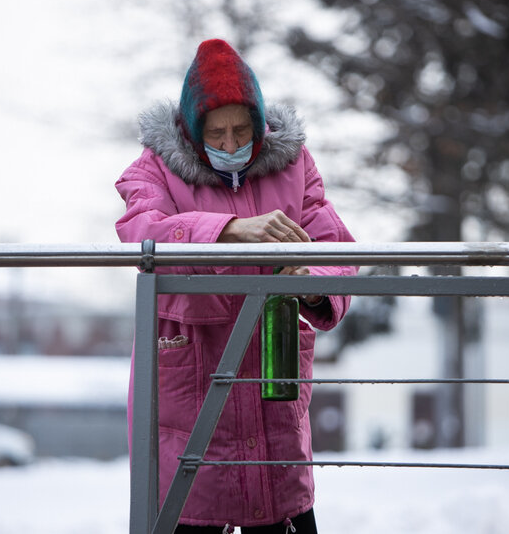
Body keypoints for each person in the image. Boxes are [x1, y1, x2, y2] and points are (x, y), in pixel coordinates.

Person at [115, 39, 356, 533]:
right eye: (217, 132)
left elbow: (337, 251)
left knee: (278, 501)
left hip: (274, 371)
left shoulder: (295, 165)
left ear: (261, 124)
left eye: (242, 129)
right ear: (190, 129)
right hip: (193, 373)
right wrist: (227, 231)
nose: (230, 144)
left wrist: (311, 285)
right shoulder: (152, 169)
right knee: (191, 500)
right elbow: (140, 233)